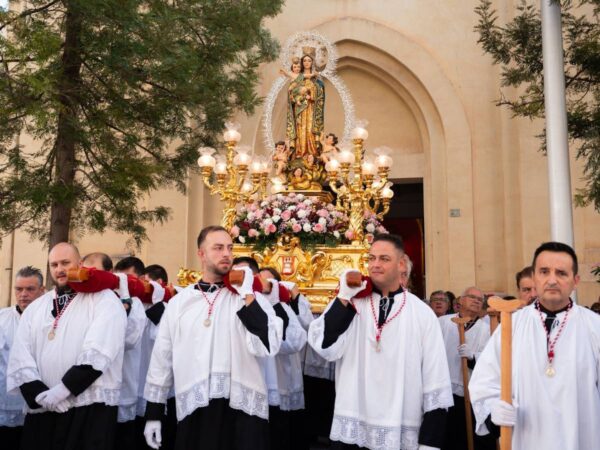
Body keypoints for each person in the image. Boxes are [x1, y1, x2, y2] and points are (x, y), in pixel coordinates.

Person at [143, 225, 284, 450]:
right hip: (196, 409)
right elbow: (162, 358)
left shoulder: (249, 298)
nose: (226, 253)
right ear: (201, 254)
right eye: (218, 248)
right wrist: (153, 413)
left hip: (243, 413)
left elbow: (268, 346)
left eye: (229, 248)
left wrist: (247, 293)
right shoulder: (180, 302)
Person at [308, 233, 453, 450]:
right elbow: (325, 347)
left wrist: (429, 443)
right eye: (371, 258)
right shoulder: (352, 303)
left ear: (401, 263)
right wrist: (344, 299)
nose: (375, 265)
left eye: (384, 259)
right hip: (354, 422)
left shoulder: (422, 313)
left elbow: (436, 378)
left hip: (399, 425)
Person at [469, 241, 600, 449]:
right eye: (544, 272)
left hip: (582, 437)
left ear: (575, 281)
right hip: (526, 437)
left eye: (561, 273)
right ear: (535, 277)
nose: (552, 280)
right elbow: (484, 381)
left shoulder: (594, 327)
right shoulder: (511, 326)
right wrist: (494, 407)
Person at [7, 242, 127, 450]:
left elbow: (100, 350)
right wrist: (40, 396)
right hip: (43, 409)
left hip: (87, 409)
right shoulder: (36, 307)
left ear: (79, 264)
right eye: (54, 265)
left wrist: (63, 390)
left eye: (65, 262)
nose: (59, 269)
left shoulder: (104, 300)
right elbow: (20, 355)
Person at [438, 287, 495, 450]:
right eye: (472, 297)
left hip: (469, 393)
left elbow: (490, 360)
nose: (477, 301)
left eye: (480, 299)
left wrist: (474, 357)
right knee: (448, 436)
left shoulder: (486, 329)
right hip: (446, 389)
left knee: (467, 436)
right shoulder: (444, 322)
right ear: (460, 301)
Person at [257, 267, 308, 450]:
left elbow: (296, 341)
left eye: (268, 281)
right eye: (259, 279)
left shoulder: (282, 307)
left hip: (279, 378)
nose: (263, 285)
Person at [0, 266, 45, 448]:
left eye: (30, 289)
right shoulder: (2, 318)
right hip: (5, 405)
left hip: (39, 405)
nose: (23, 294)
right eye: (19, 289)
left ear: (42, 291)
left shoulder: (50, 320)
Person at [287, 52, 325, 159]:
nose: (307, 62)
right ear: (301, 63)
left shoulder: (317, 80)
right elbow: (291, 92)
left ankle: (312, 153)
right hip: (300, 109)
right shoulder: (298, 78)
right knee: (300, 129)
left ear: (312, 62)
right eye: (304, 60)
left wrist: (312, 94)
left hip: (312, 108)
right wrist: (298, 95)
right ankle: (300, 152)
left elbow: (320, 94)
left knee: (310, 129)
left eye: (309, 60)